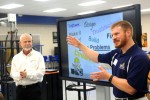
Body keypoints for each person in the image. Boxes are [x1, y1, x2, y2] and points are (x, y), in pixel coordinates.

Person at [66, 20, 150, 100]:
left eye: (116, 34)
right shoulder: (116, 53)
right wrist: (80, 45)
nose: (113, 38)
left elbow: (131, 89)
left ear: (128, 33)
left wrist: (108, 77)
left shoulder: (139, 57)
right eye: (112, 35)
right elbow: (97, 57)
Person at [10, 33, 45, 100]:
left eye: (29, 41)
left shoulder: (38, 56)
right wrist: (20, 75)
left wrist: (27, 74)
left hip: (34, 90)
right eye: (25, 41)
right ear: (20, 43)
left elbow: (41, 73)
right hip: (20, 91)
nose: (27, 43)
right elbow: (12, 74)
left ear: (32, 42)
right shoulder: (16, 58)